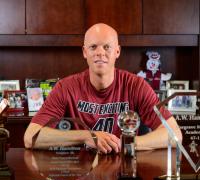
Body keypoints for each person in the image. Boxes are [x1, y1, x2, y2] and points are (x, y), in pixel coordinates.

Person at [24, 23, 182, 154]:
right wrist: (87, 137)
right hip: (81, 173)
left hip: (125, 169)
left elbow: (175, 134)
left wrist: (125, 143)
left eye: (107, 47)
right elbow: (30, 137)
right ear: (85, 52)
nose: (100, 52)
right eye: (93, 47)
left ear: (117, 51)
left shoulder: (137, 86)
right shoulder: (65, 87)